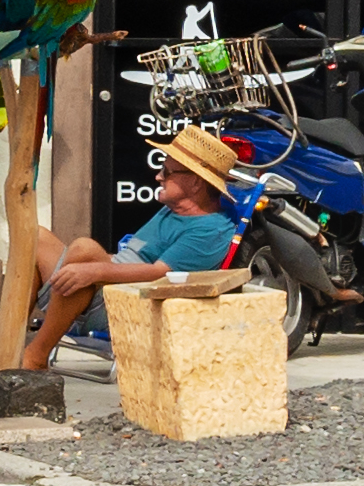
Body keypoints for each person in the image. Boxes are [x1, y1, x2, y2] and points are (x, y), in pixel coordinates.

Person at [32, 123, 269, 354]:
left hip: (133, 302)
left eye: (167, 171)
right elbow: (129, 258)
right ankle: (15, 337)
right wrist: (95, 268)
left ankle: (37, 354)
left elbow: (162, 275)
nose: (158, 176)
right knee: (37, 237)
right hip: (104, 290)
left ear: (195, 182)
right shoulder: (173, 210)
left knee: (85, 249)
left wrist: (95, 271)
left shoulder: (211, 229)